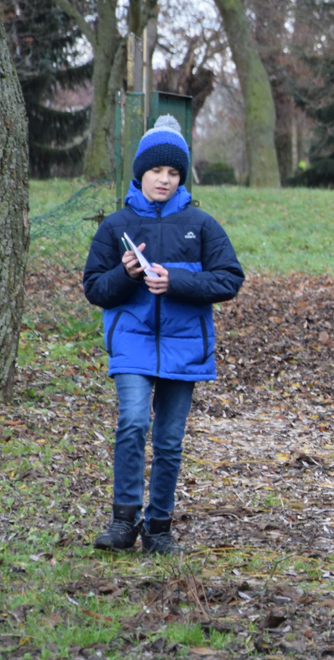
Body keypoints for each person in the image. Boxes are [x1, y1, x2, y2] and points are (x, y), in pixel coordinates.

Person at [84, 115, 244, 555]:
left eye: (174, 172)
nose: (164, 179)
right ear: (141, 172)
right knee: (133, 423)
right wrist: (126, 274)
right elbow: (94, 288)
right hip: (132, 341)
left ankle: (158, 528)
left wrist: (176, 281)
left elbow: (230, 278)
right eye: (156, 170)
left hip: (184, 345)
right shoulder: (115, 226)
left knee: (169, 441)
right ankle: (123, 522)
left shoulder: (202, 225)